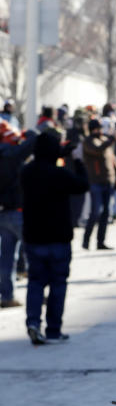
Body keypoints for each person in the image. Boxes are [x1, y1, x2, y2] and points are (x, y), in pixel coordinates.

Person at [19, 128, 89, 344]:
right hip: (58, 237)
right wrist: (76, 161)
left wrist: (58, 154)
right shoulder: (59, 174)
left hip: (34, 236)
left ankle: (33, 322)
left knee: (36, 282)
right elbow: (81, 185)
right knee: (58, 283)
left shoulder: (27, 172)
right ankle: (53, 329)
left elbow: (44, 161)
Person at [0, 121, 36, 309]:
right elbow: (35, 140)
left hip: (3, 213)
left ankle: (6, 296)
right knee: (34, 255)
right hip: (19, 212)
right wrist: (27, 133)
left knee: (6, 258)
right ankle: (38, 294)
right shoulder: (11, 154)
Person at [81, 118, 116, 249]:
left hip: (108, 181)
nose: (99, 131)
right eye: (96, 128)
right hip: (96, 182)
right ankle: (86, 240)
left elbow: (112, 160)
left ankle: (101, 242)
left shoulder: (105, 140)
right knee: (95, 212)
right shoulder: (88, 142)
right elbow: (97, 150)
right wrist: (112, 139)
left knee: (106, 212)